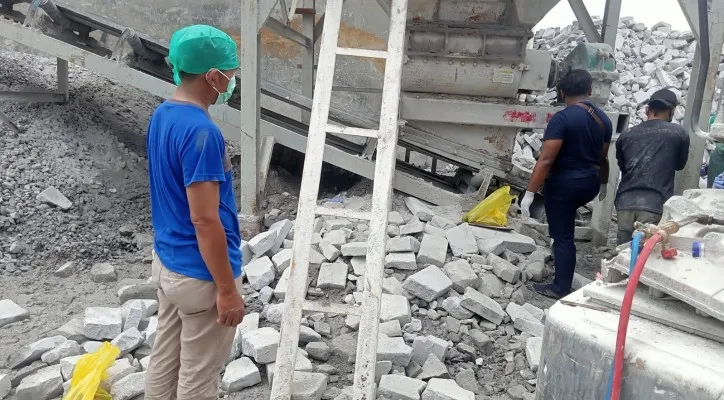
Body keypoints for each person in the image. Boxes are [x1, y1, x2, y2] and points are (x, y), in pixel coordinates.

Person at [144, 25, 245, 400]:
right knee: (199, 379)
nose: (232, 81)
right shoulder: (202, 133)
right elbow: (204, 218)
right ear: (212, 77)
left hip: (168, 262)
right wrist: (227, 290)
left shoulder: (163, 115)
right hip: (199, 275)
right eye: (229, 73)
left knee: (165, 362)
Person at [520, 69, 612, 299]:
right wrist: (603, 184)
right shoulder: (604, 120)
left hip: (565, 184)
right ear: (590, 90)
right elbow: (603, 157)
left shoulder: (561, 119)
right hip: (589, 183)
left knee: (563, 236)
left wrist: (530, 192)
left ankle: (560, 286)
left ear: (561, 92)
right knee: (565, 230)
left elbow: (546, 159)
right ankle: (561, 265)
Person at [614, 88, 690, 245]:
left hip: (624, 202)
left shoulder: (626, 134)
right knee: (646, 255)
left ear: (647, 110)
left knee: (623, 252)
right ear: (672, 111)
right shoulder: (678, 133)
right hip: (654, 204)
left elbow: (623, 167)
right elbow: (680, 165)